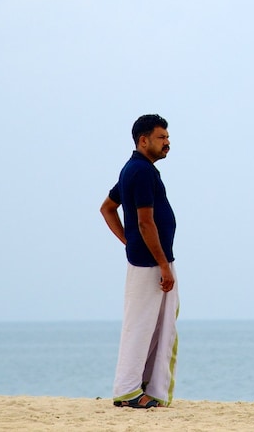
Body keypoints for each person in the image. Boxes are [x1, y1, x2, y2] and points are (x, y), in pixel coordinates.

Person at [99, 114, 178, 409]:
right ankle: (128, 390)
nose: (167, 142)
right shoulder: (140, 172)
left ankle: (140, 388)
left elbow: (107, 208)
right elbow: (146, 223)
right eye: (161, 137)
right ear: (143, 140)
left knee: (155, 326)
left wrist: (129, 242)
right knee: (141, 326)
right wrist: (163, 264)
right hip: (150, 264)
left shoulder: (136, 169)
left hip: (149, 260)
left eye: (168, 137)